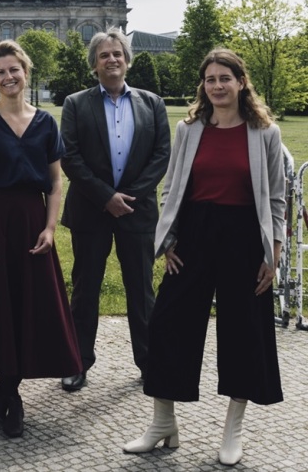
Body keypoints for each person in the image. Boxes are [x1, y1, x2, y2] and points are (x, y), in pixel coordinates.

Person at [123, 49, 284, 465]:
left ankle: (232, 429)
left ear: (241, 82)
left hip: (245, 237)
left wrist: (275, 252)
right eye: (210, 79)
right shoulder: (189, 128)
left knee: (244, 331)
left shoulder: (265, 132)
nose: (217, 86)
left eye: (225, 78)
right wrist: (170, 238)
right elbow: (172, 185)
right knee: (168, 324)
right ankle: (163, 423)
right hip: (194, 235)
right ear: (204, 85)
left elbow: (277, 198)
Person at [0, 40, 81, 438]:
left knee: (29, 305)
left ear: (26, 71)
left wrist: (50, 227)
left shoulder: (46, 122)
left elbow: (56, 181)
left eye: (14, 69)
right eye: (0, 72)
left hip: (32, 221)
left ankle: (6, 389)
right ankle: (9, 393)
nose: (9, 77)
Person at [59, 28, 170, 391]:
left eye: (117, 54)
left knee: (141, 291)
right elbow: (70, 158)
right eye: (104, 55)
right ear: (94, 64)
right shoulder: (76, 103)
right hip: (91, 210)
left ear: (127, 60)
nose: (112, 60)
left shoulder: (152, 103)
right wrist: (106, 196)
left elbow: (160, 156)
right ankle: (78, 362)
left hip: (137, 213)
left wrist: (129, 198)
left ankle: (151, 362)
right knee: (85, 290)